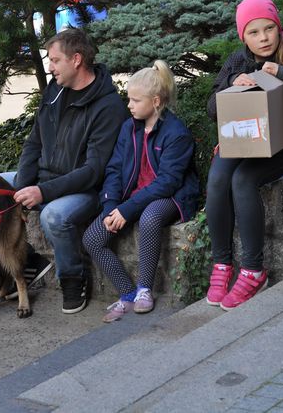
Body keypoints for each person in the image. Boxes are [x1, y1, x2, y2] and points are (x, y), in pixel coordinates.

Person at [205, 0, 283, 310]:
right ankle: (221, 266)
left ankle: (253, 270)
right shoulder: (238, 61)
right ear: (243, 36)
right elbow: (212, 109)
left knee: (243, 180)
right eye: (253, 32)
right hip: (246, 138)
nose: (263, 38)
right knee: (219, 177)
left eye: (268, 29)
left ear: (278, 27)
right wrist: (234, 82)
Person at [2, 28, 129, 314]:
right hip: (46, 179)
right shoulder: (54, 91)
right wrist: (22, 186)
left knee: (55, 216)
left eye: (55, 60)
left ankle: (73, 278)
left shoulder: (107, 106)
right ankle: (29, 262)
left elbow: (94, 170)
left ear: (76, 60)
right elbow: (34, 141)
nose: (50, 67)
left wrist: (42, 191)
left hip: (86, 190)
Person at [82, 61, 200, 323]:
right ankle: (127, 292)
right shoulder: (129, 128)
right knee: (92, 238)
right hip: (131, 197)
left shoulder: (176, 133)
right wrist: (112, 206)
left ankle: (145, 289)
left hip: (169, 198)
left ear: (156, 101)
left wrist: (127, 209)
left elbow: (168, 182)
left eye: (135, 100)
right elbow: (114, 169)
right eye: (129, 99)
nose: (129, 105)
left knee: (149, 217)